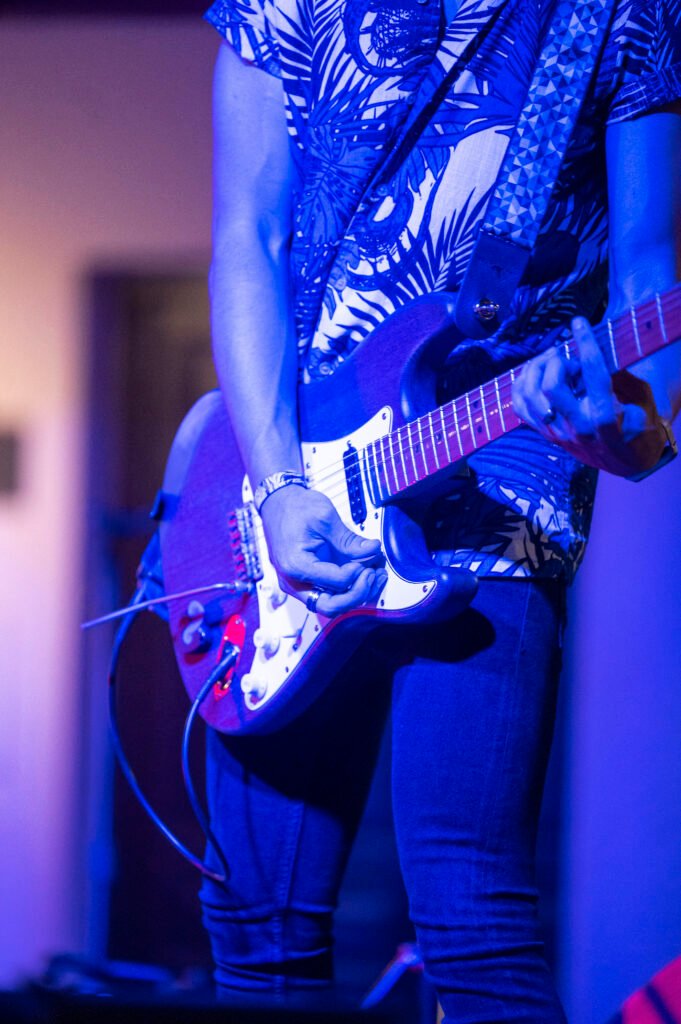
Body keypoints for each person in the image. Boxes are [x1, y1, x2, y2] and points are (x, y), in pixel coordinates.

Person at [199, 0, 681, 1020]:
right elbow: (248, 234)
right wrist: (280, 484)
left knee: (475, 917)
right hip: (296, 470)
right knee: (255, 923)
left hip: (503, 475)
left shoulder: (621, 10)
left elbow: (648, 267)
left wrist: (630, 424)